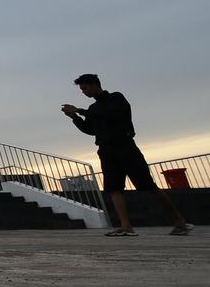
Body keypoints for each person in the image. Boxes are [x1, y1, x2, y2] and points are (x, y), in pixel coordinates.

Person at [62, 73, 191, 236]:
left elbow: (112, 115)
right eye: (82, 89)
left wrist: (80, 111)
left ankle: (179, 219)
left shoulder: (116, 98)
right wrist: (74, 117)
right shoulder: (93, 108)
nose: (83, 92)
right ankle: (126, 226)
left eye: (85, 88)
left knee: (148, 185)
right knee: (114, 188)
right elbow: (90, 129)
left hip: (125, 147)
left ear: (95, 85)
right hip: (106, 150)